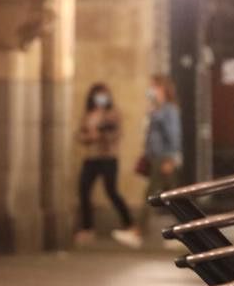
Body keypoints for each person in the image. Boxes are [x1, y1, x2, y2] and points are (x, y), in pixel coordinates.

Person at [76, 83, 139, 248]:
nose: (100, 99)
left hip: (108, 157)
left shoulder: (113, 114)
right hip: (91, 157)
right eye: (98, 95)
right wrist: (89, 136)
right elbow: (80, 134)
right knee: (83, 190)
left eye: (103, 95)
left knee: (111, 191)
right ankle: (87, 228)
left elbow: (117, 134)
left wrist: (101, 135)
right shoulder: (88, 114)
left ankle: (130, 225)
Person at [142, 74, 184, 200]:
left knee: (153, 196)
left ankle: (139, 221)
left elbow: (174, 135)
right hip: (155, 157)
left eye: (154, 86)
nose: (151, 90)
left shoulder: (169, 110)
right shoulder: (154, 110)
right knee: (170, 196)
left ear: (162, 89)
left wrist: (170, 159)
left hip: (164, 157)